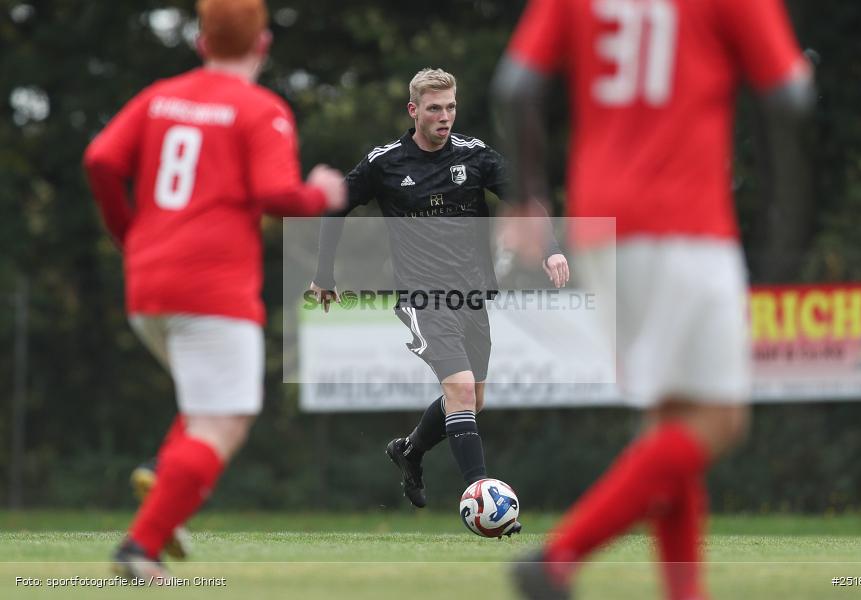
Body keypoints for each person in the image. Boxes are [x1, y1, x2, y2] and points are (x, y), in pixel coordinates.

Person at [492, 0, 814, 597]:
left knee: (671, 417)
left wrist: (526, 197)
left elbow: (516, 86)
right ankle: (560, 556)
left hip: (600, 225)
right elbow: (789, 94)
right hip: (686, 222)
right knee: (720, 419)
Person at [83, 0, 346, 577]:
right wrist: (320, 195)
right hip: (210, 285)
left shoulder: (159, 97)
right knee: (225, 419)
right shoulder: (262, 110)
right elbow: (279, 197)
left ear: (201, 42)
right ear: (264, 44)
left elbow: (101, 158)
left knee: (205, 407)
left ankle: (167, 484)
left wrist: (130, 234)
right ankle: (141, 546)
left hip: (148, 284)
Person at [309, 68, 568, 525]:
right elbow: (335, 208)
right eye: (434, 108)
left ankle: (409, 450)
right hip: (421, 297)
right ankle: (486, 501)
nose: (444, 116)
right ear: (414, 111)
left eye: (450, 107)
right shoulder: (384, 162)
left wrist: (550, 250)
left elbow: (526, 201)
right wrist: (323, 275)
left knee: (472, 401)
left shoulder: (475, 156)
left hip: (471, 297)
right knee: (461, 390)